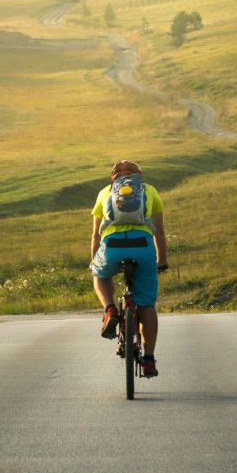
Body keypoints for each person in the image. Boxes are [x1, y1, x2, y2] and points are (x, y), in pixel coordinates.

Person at [90, 160, 169, 378]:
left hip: (112, 246)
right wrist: (162, 260)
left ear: (113, 177)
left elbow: (96, 235)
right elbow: (159, 232)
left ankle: (110, 309)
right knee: (147, 305)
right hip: (143, 247)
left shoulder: (105, 192)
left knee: (100, 275)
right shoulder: (149, 191)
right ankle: (149, 359)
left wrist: (95, 261)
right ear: (139, 175)